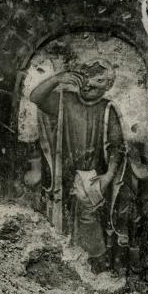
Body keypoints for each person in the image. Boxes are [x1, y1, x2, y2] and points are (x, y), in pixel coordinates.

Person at [30, 59, 130, 274]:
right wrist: (57, 79)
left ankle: (95, 270)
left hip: (92, 178)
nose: (90, 84)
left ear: (108, 86)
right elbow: (36, 97)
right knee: (59, 222)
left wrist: (107, 177)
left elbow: (116, 148)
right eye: (87, 78)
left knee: (90, 222)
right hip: (63, 176)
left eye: (99, 80)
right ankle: (63, 270)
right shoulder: (65, 100)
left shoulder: (107, 109)